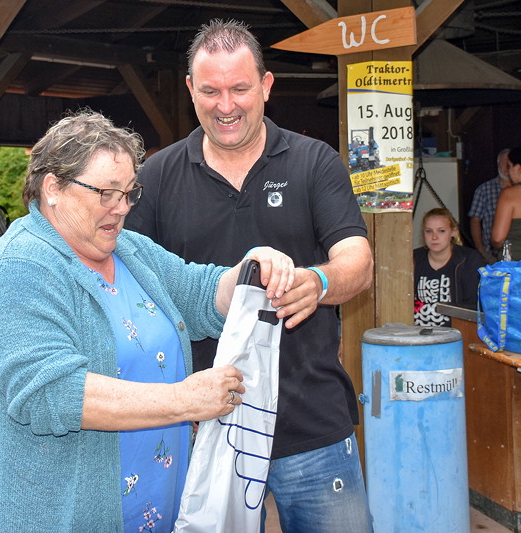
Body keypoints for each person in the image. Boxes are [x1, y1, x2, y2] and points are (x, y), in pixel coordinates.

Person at [0, 109, 301, 531]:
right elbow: (54, 393)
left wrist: (250, 269)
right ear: (53, 188)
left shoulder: (128, 250)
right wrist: (184, 400)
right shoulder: (19, 268)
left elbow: (199, 294)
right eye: (106, 193)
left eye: (128, 193)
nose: (121, 208)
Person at [125, 19, 374, 532]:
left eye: (240, 88)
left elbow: (358, 261)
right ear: (191, 89)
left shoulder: (314, 162)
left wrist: (319, 283)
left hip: (311, 424)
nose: (226, 105)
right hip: (205, 427)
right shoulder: (156, 177)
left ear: (265, 85)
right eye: (211, 91)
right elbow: (129, 284)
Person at [414, 208, 486, 327]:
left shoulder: (470, 260)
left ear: (453, 232)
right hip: (415, 334)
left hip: (456, 334)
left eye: (441, 231)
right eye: (429, 231)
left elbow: (476, 306)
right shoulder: (413, 258)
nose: (434, 237)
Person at [468, 148, 511, 263]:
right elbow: (475, 221)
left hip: (519, 253)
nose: (507, 167)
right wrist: (481, 250)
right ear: (498, 164)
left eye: (510, 163)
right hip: (491, 254)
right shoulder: (484, 189)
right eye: (504, 163)